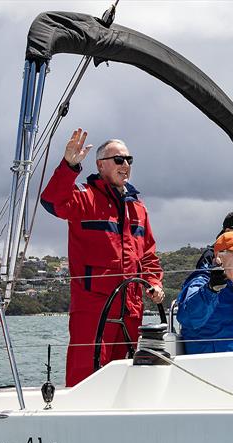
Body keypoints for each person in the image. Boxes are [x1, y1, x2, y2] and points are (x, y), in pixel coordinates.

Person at [41, 128, 164, 386]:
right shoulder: (84, 198)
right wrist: (69, 166)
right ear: (100, 165)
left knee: (128, 377)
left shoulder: (138, 208)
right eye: (118, 160)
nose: (125, 165)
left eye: (129, 160)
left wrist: (154, 282)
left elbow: (149, 255)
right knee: (86, 376)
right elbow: (52, 201)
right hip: (93, 309)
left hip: (131, 310)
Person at [178, 231, 233, 354]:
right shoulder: (202, 282)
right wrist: (211, 289)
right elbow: (188, 318)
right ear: (218, 257)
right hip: (213, 366)